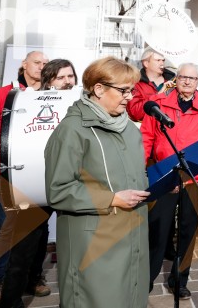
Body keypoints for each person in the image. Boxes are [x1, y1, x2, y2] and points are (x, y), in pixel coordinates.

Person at [44, 57, 150, 308]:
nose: (129, 97)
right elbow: (59, 190)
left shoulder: (130, 130)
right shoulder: (72, 130)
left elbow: (134, 175)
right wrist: (112, 199)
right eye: (123, 90)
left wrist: (160, 182)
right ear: (98, 89)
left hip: (132, 239)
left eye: (131, 90)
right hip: (94, 247)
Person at [141, 63, 198, 300]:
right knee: (157, 230)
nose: (187, 82)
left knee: (188, 233)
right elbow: (146, 139)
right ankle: (145, 279)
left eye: (192, 78)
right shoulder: (159, 103)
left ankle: (180, 279)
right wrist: (140, 171)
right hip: (164, 175)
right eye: (183, 77)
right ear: (176, 79)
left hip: (194, 177)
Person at [0, 59, 79, 308]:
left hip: (71, 185)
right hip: (35, 182)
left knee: (76, 248)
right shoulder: (31, 102)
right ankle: (10, 302)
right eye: (60, 77)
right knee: (23, 248)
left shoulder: (82, 103)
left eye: (70, 76)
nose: (67, 82)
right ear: (48, 81)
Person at [0, 50, 47, 305]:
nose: (42, 67)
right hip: (5, 171)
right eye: (37, 62)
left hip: (38, 172)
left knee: (38, 226)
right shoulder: (2, 94)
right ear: (24, 65)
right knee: (5, 227)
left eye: (45, 64)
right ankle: (1, 280)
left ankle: (34, 276)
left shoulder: (48, 95)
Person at [126, 47, 175, 122]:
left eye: (163, 60)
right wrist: (158, 95)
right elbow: (135, 113)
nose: (162, 63)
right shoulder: (135, 84)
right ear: (146, 63)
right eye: (158, 60)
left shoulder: (174, 81)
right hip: (147, 131)